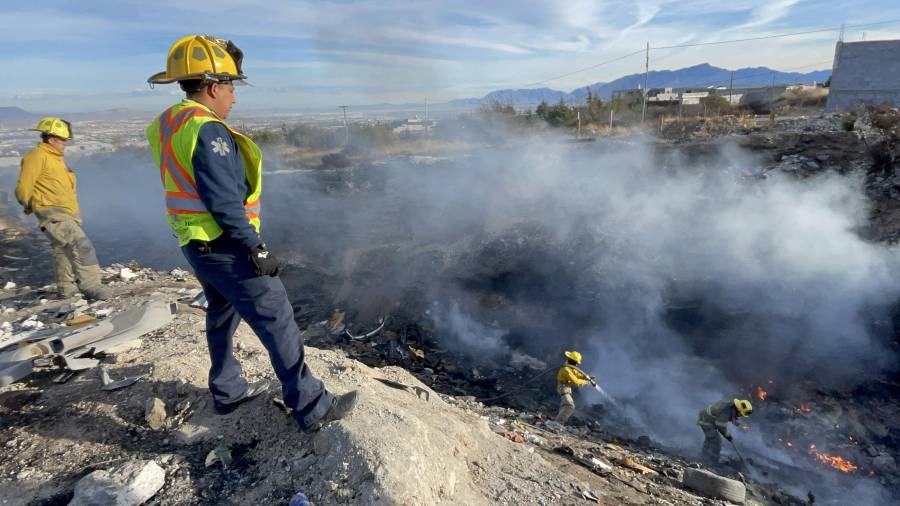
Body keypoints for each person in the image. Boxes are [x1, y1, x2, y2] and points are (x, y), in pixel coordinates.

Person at [145, 35, 357, 430]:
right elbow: (224, 202)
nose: (233, 97)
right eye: (230, 86)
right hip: (225, 245)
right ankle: (311, 405)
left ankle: (227, 392)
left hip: (194, 241)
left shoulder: (168, 122)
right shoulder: (208, 131)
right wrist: (255, 247)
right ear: (212, 87)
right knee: (277, 317)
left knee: (222, 315)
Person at [15, 118, 111, 301]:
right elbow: (23, 188)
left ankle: (67, 291)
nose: (65, 145)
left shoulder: (56, 159)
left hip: (66, 214)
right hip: (54, 214)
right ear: (51, 139)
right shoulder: (37, 156)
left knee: (64, 251)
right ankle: (91, 286)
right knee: (83, 246)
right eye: (62, 140)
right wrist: (31, 205)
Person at [697, 398, 753, 464]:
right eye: (740, 414)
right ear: (738, 409)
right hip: (706, 422)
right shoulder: (727, 411)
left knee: (710, 438)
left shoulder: (732, 407)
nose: (740, 416)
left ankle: (703, 456)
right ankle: (712, 461)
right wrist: (728, 436)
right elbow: (720, 425)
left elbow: (731, 417)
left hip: (708, 420)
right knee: (717, 441)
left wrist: (739, 425)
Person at [555, 350, 596, 423]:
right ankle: (557, 423)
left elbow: (577, 374)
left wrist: (587, 377)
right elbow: (575, 381)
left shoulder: (570, 368)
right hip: (563, 388)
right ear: (574, 362)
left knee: (565, 406)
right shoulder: (566, 370)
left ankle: (557, 422)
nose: (577, 364)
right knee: (570, 406)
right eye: (576, 363)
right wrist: (586, 382)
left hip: (566, 388)